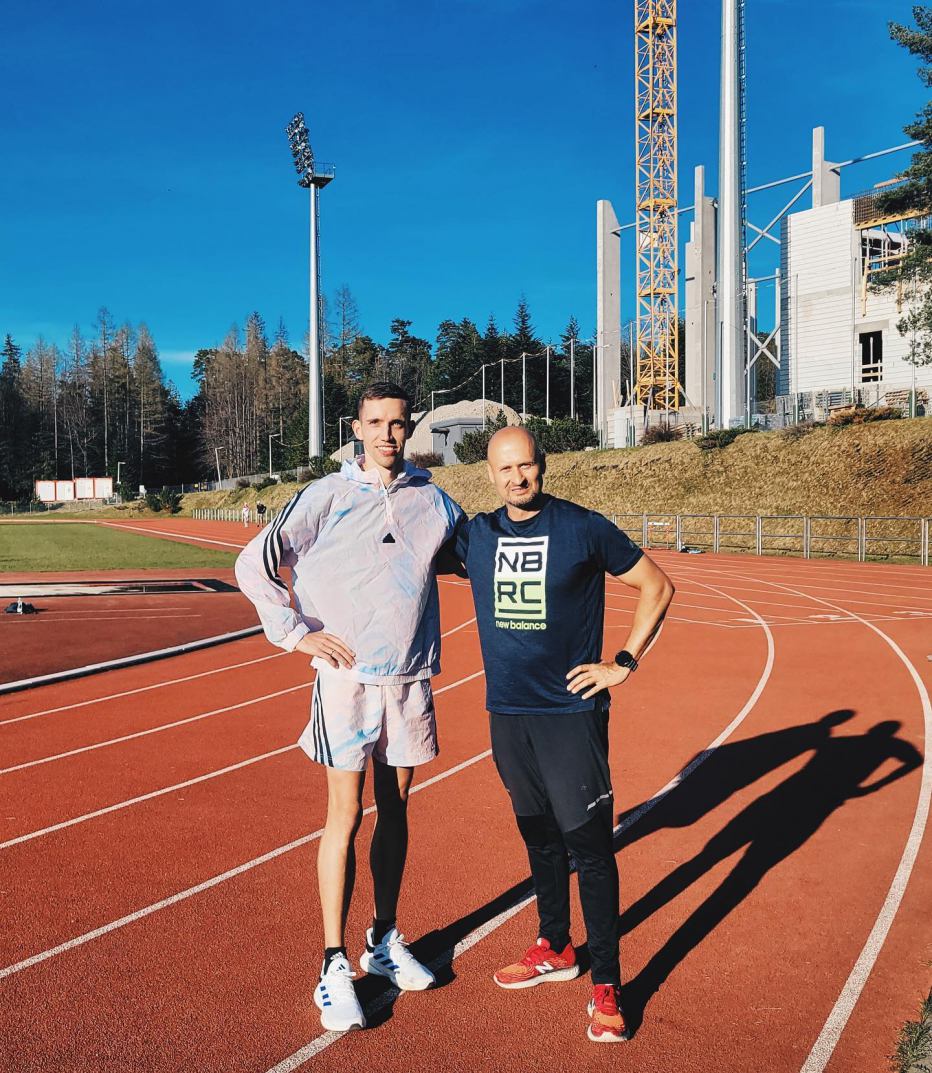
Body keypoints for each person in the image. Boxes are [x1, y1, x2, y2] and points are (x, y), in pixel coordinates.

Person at [234, 382, 463, 1032]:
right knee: (346, 814)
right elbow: (253, 563)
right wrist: (294, 632)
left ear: (410, 428)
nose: (388, 433)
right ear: (356, 428)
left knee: (397, 810)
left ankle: (383, 939)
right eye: (376, 422)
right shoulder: (327, 495)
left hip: (410, 679)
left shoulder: (433, 499)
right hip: (346, 681)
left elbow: (479, 552)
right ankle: (333, 963)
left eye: (398, 422)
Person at [454, 425, 674, 1044]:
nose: (516, 478)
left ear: (542, 465)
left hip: (569, 715)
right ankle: (554, 945)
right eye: (504, 469)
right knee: (539, 837)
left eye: (525, 465)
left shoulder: (582, 528)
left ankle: (608, 982)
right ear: (489, 475)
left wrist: (623, 663)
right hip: (508, 713)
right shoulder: (475, 536)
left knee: (590, 848)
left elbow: (657, 586)